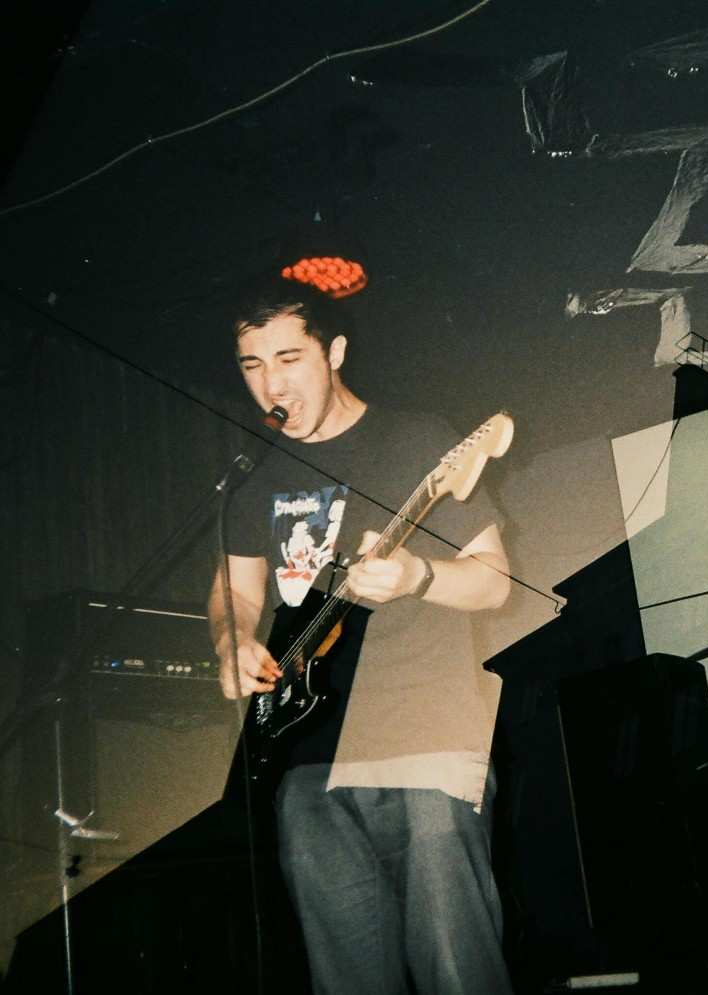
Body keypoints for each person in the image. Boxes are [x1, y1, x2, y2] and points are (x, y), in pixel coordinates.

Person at [207, 278, 515, 994]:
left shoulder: (416, 441)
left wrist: (417, 577)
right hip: (307, 759)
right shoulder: (255, 477)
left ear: (335, 350)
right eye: (253, 366)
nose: (270, 384)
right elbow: (236, 589)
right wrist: (230, 642)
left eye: (288, 358)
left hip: (426, 738)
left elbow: (495, 581)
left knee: (457, 966)